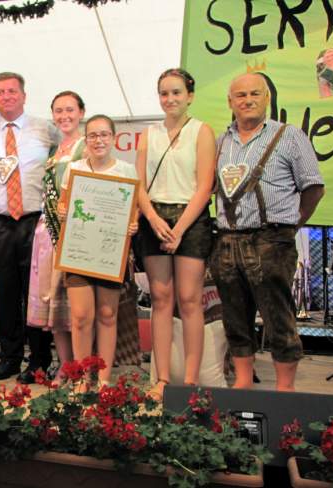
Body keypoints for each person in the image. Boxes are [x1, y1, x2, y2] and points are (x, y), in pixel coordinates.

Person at [210, 72, 324, 391]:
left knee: (278, 317)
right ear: (230, 102)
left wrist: (291, 224)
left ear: (267, 98)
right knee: (235, 317)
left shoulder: (290, 136)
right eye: (240, 95)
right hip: (227, 240)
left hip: (271, 239)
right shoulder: (221, 142)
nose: (247, 100)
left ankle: (284, 390)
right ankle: (243, 384)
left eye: (254, 94)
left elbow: (314, 188)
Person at [135, 68, 216, 401]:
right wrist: (153, 218)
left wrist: (180, 228)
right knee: (160, 298)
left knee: (190, 298)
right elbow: (138, 184)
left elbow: (205, 186)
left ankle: (192, 380)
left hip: (191, 220)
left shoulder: (202, 131)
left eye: (176, 92)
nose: (170, 99)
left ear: (190, 96)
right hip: (154, 218)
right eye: (164, 93)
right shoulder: (148, 134)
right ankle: (163, 379)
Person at [0, 72, 59, 382]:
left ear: (24, 95)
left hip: (35, 221)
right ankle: (10, 357)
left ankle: (39, 360)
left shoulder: (45, 129)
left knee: (35, 294)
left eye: (12, 91)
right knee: (6, 294)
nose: (7, 96)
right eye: (0, 92)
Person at [58, 115, 138, 386]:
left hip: (109, 254)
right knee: (81, 316)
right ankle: (81, 379)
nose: (98, 140)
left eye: (104, 134)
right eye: (92, 135)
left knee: (107, 315)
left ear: (113, 138)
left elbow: (135, 209)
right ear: (86, 139)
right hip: (78, 252)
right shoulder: (74, 169)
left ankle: (103, 379)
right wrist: (62, 211)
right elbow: (63, 205)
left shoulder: (126, 171)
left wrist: (133, 223)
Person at [27, 91, 87, 381]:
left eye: (70, 110)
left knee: (78, 306)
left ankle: (82, 366)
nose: (64, 116)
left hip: (75, 232)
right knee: (56, 304)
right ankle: (65, 364)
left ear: (81, 113)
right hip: (49, 231)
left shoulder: (86, 147)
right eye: (59, 111)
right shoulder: (53, 150)